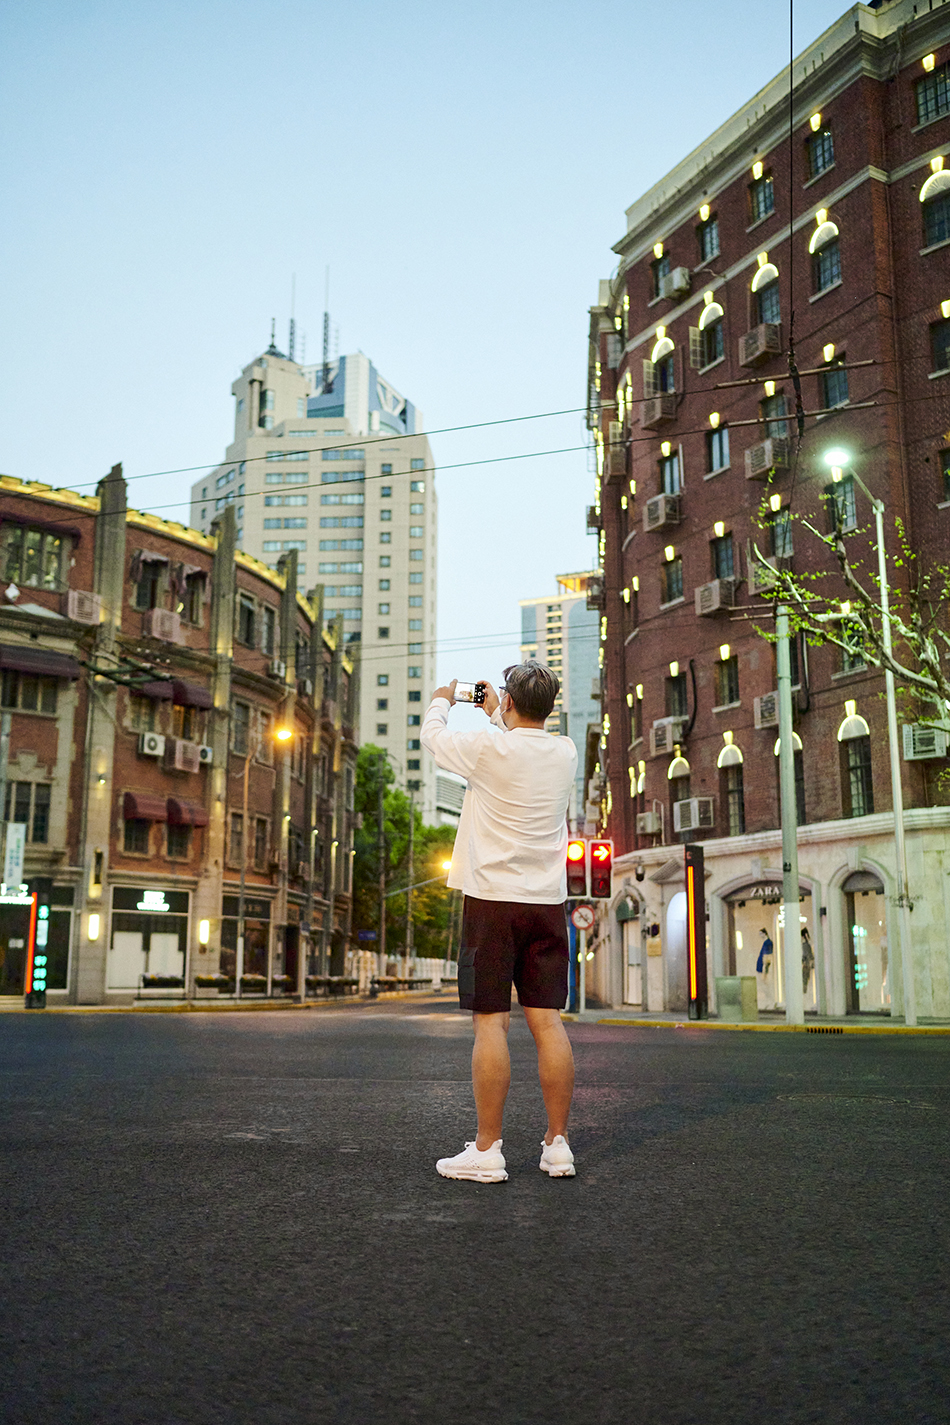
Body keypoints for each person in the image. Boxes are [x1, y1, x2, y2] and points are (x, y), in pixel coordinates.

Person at [421, 662, 578, 1184]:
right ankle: (557, 1146)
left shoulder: (488, 751)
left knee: (491, 1022)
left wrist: (445, 697)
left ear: (509, 703)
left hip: (491, 902)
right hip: (546, 905)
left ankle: (488, 1150)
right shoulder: (566, 752)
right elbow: (519, 746)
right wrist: (499, 714)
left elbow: (433, 735)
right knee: (547, 1022)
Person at [756, 927, 774, 1010]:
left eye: (761, 933)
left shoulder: (768, 943)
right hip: (762, 967)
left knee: (765, 984)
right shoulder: (766, 943)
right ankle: (769, 1001)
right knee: (764, 984)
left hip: (763, 967)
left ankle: (770, 1000)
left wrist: (764, 968)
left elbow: (767, 956)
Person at [801, 926, 815, 996]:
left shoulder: (805, 945)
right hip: (807, 966)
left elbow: (807, 956)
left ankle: (804, 995)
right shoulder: (807, 945)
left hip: (805, 966)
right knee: (805, 981)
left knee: (804, 982)